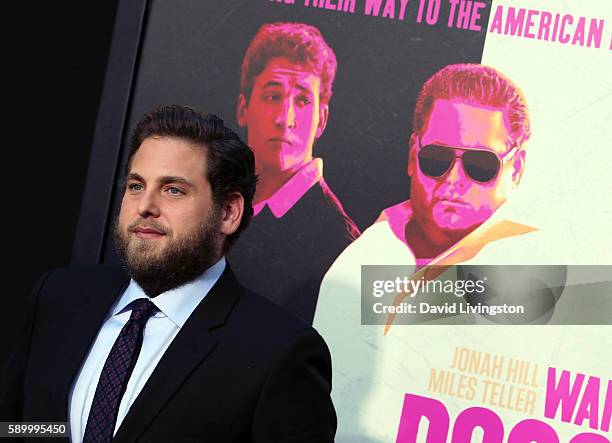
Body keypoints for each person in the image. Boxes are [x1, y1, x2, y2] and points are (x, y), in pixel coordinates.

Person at [0, 105, 336, 442]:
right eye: (135, 186)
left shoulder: (278, 353)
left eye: (173, 189)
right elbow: (19, 427)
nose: (144, 205)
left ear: (229, 212)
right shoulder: (59, 297)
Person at [313, 64, 541, 441]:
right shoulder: (359, 265)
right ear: (411, 153)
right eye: (436, 159)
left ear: (516, 168)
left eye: (480, 165)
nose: (452, 181)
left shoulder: (549, 265)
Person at [231, 22, 360, 324]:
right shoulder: (216, 208)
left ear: (322, 119)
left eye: (302, 100)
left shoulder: (341, 246)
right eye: (272, 96)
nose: (285, 118)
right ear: (243, 108)